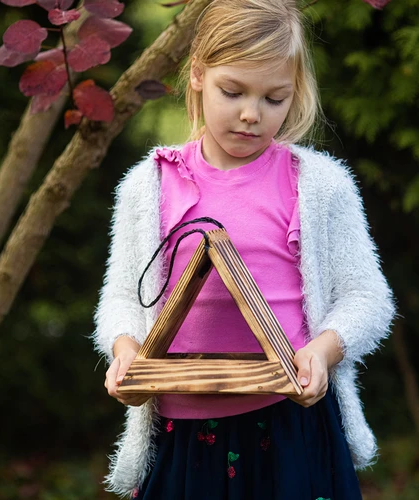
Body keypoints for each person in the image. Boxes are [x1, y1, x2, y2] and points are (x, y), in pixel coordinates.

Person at [92, 0, 396, 498]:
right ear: (197, 75)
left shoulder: (318, 185)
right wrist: (125, 351)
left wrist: (323, 351)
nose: (251, 114)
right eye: (232, 92)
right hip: (181, 433)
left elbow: (368, 298)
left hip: (288, 427)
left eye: (275, 99)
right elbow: (123, 296)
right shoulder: (148, 185)